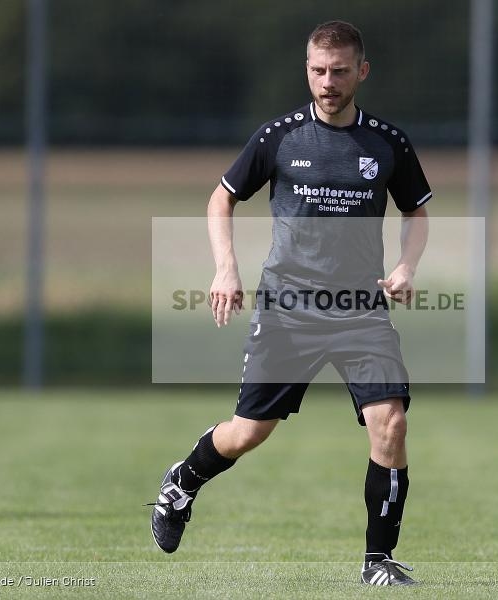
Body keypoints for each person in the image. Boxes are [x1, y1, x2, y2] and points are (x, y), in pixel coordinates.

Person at [149, 20, 431, 586]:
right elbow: (220, 199)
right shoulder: (278, 137)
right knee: (249, 432)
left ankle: (378, 561)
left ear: (362, 72)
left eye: (340, 71)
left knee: (391, 424)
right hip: (288, 309)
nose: (328, 82)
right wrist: (225, 267)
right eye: (318, 71)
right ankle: (183, 480)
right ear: (307, 70)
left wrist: (405, 267)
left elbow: (416, 213)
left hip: (359, 309)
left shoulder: (388, 143)